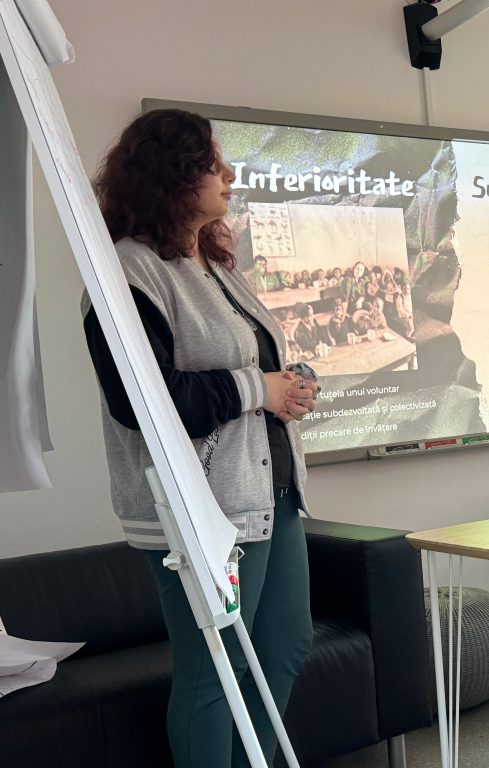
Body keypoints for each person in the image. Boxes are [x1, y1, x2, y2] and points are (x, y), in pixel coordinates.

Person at [83, 109, 318, 766]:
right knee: (217, 673)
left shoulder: (214, 265)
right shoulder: (128, 273)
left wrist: (288, 385)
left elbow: (249, 368)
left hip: (271, 496)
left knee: (284, 648)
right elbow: (142, 403)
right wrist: (258, 389)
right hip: (204, 510)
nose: (230, 174)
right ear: (174, 172)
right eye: (214, 163)